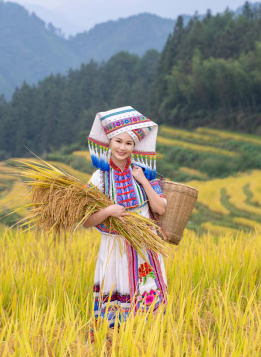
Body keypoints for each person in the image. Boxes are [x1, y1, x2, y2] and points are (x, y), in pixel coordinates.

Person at [82, 106, 168, 343]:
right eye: (118, 141)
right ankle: (112, 343)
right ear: (109, 142)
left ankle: (146, 342)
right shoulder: (99, 177)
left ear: (134, 147)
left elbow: (160, 208)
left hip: (144, 246)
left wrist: (142, 179)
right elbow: (87, 221)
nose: (122, 147)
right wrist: (108, 211)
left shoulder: (144, 172)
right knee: (114, 294)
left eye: (128, 143)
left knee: (146, 291)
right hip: (114, 248)